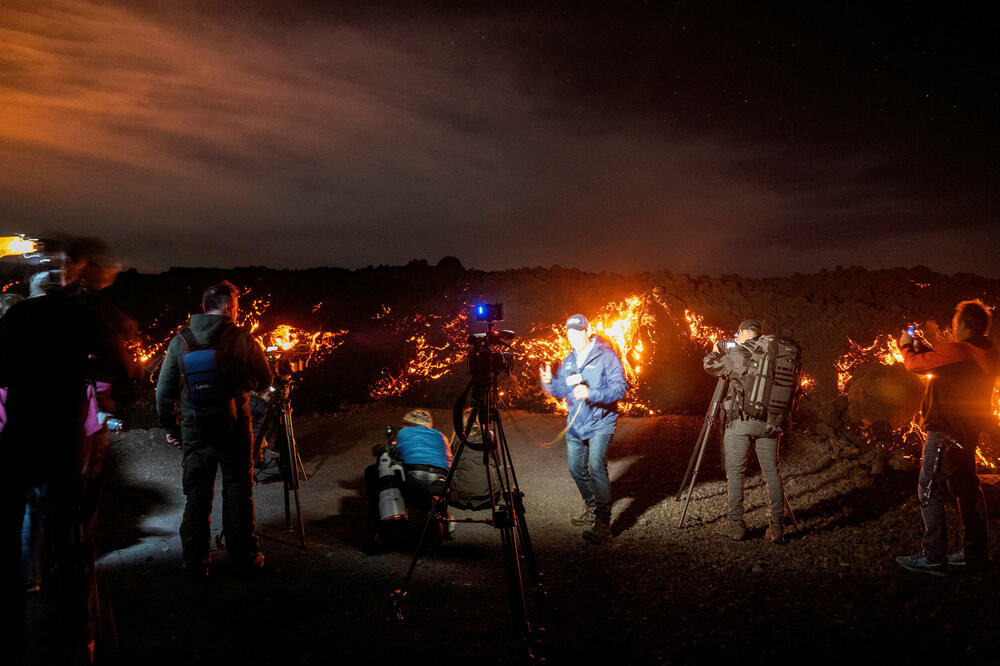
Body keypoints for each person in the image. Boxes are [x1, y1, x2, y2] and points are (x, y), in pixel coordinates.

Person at [156, 281, 272, 579]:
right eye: (236, 304)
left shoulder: (180, 340)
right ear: (228, 306)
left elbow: (164, 391)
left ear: (204, 307)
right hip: (234, 429)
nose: (238, 310)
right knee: (238, 490)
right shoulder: (242, 338)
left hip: (195, 430)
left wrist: (172, 426)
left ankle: (196, 561)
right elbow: (263, 379)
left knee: (197, 494)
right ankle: (244, 556)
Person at [895, 300, 999, 576]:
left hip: (944, 433)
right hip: (968, 432)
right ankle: (975, 554)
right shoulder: (987, 353)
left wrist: (906, 345)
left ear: (965, 325)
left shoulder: (959, 350)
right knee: (968, 491)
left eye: (954, 324)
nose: (953, 330)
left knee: (928, 491)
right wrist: (924, 347)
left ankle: (934, 556)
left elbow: (915, 365)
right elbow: (946, 365)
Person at [540, 314, 627, 545]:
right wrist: (548, 383)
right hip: (576, 425)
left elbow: (620, 389)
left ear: (588, 331)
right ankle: (592, 505)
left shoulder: (606, 356)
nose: (572, 336)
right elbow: (560, 390)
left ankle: (602, 523)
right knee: (575, 469)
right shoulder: (568, 361)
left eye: (577, 331)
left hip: (601, 422)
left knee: (596, 466)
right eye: (569, 332)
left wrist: (592, 394)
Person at [703, 319, 787, 543]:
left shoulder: (738, 354)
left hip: (741, 422)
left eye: (736, 335)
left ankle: (736, 526)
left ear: (741, 333)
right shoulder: (775, 355)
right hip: (771, 423)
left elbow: (711, 366)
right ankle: (777, 528)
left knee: (736, 472)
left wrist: (714, 351)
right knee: (772, 474)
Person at [364, 409, 452, 545]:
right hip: (440, 481)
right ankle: (444, 524)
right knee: (436, 493)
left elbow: (397, 453)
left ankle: (381, 529)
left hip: (414, 479)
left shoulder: (404, 433)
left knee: (377, 473)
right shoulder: (441, 436)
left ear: (407, 423)